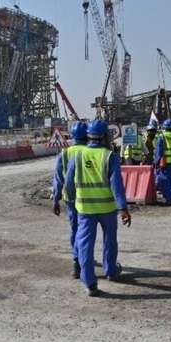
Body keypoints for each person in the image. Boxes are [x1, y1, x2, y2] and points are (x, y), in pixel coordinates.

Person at [64, 120, 132, 297]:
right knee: (110, 241)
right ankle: (111, 271)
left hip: (85, 209)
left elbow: (69, 182)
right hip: (107, 209)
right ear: (103, 137)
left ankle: (89, 283)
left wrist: (71, 200)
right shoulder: (110, 156)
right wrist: (123, 208)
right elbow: (117, 185)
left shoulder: (77, 156)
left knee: (85, 244)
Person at [53, 120, 89, 278]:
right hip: (89, 198)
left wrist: (56, 198)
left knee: (75, 229)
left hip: (71, 198)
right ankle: (85, 260)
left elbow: (58, 178)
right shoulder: (91, 151)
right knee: (87, 231)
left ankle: (77, 263)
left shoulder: (65, 153)